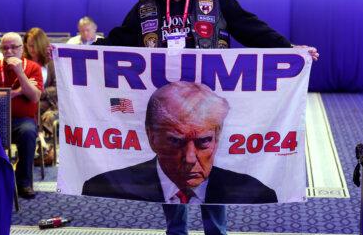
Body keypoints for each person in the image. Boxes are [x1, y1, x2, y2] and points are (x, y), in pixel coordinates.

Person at [106, 0, 319, 235]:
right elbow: (117, 41)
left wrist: (290, 49)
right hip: (168, 111)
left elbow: (253, 29)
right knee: (172, 169)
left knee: (209, 171)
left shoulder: (215, 1)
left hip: (206, 109)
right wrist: (76, 52)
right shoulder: (146, 9)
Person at [83, 81, 278, 203]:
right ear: (152, 138)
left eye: (203, 142)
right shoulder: (100, 185)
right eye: (176, 142)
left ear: (217, 138)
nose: (190, 158)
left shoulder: (258, 192)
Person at [0, 32, 43, 199]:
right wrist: (17, 92)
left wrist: (20, 73)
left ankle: (23, 182)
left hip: (23, 121)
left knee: (28, 132)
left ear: (21, 49)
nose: (9, 51)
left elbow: (34, 96)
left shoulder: (32, 67)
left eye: (13, 47)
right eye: (5, 48)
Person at [23, 27, 57, 164]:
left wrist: (39, 92)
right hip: (28, 101)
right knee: (32, 108)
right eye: (29, 45)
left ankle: (40, 144)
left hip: (50, 103)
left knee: (37, 109)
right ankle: (41, 145)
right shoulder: (23, 63)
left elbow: (57, 88)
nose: (31, 49)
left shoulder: (51, 63)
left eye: (34, 45)